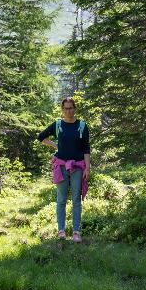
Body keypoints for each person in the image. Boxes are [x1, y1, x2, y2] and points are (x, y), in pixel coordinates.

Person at [39, 97, 90, 242]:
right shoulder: (58, 125)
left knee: (76, 199)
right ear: (62, 110)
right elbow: (41, 137)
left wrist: (88, 168)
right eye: (66, 108)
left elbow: (86, 148)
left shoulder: (82, 126)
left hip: (78, 167)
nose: (68, 111)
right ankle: (61, 230)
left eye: (71, 108)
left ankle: (76, 232)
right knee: (61, 199)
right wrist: (56, 146)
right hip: (60, 166)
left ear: (75, 108)